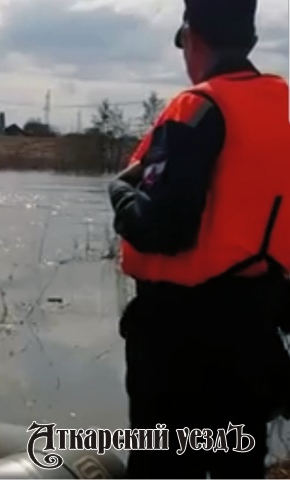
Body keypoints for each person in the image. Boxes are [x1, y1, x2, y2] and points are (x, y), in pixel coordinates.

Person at [108, 0, 290, 477]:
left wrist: (120, 193)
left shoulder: (197, 107)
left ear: (191, 36)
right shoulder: (278, 112)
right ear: (249, 39)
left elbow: (161, 229)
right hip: (254, 329)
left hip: (181, 337)